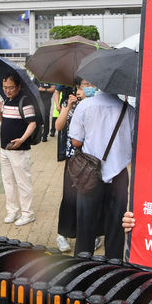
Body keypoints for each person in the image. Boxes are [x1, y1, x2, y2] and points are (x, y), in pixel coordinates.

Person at [68, 86, 135, 258]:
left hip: (90, 175)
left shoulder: (85, 106)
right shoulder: (129, 110)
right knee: (116, 228)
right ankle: (114, 270)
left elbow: (76, 141)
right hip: (119, 176)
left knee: (85, 226)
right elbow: (135, 142)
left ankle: (83, 269)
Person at [54, 78, 103, 252]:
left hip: (91, 159)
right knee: (69, 196)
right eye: (85, 85)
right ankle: (63, 234)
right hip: (73, 159)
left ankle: (94, 234)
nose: (89, 87)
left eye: (91, 84)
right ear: (77, 87)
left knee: (92, 196)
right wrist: (67, 107)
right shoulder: (69, 102)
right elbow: (58, 126)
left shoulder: (97, 105)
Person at [0, 71, 37, 226]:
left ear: (18, 86)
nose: (7, 90)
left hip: (19, 149)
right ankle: (12, 211)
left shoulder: (25, 101)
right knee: (8, 181)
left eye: (11, 87)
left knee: (23, 181)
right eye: (5, 87)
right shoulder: (6, 100)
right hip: (4, 148)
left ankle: (28, 213)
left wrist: (22, 139)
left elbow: (32, 123)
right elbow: (4, 120)